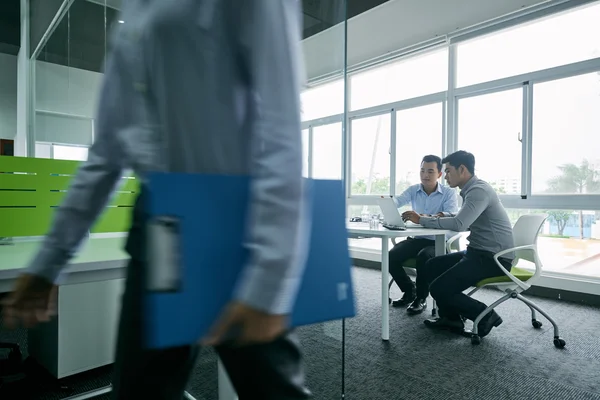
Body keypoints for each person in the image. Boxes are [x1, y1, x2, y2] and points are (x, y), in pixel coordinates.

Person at [2, 1, 312, 399]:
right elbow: (107, 153)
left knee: (272, 391)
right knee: (139, 392)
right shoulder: (133, 13)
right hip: (157, 226)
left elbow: (281, 127)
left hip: (232, 231)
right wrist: (50, 260)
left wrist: (272, 279)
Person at [403, 150, 515, 338]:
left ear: (462, 169)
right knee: (431, 266)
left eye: (447, 171)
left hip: (493, 258)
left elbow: (459, 224)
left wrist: (421, 219)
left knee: (439, 288)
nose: (444, 176)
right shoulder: (472, 190)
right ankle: (451, 318)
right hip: (477, 252)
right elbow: (461, 217)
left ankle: (485, 315)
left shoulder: (478, 191)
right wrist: (438, 217)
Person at [388, 155, 458, 315]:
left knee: (424, 257)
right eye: (422, 171)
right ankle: (409, 291)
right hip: (417, 238)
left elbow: (451, 215)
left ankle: (420, 298)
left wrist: (422, 217)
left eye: (430, 171)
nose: (425, 175)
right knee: (391, 256)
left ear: (439, 174)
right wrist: (389, 203)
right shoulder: (414, 189)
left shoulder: (448, 193)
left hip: (437, 242)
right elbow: (398, 201)